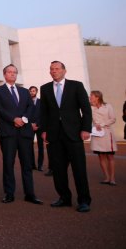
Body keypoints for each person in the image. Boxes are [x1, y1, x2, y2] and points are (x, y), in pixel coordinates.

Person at [40, 61, 92, 213]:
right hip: (54, 135)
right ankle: (64, 198)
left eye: (57, 69)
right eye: (51, 69)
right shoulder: (45, 88)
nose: (54, 71)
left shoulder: (76, 86)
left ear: (64, 71)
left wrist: (85, 129)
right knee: (58, 169)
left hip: (74, 134)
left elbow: (86, 109)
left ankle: (84, 200)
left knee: (79, 169)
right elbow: (44, 112)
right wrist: (44, 131)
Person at [0, 64, 42, 205]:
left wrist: (24, 119)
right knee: (8, 164)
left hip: (24, 132)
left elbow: (30, 108)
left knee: (27, 164)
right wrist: (13, 119)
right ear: (4, 74)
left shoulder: (25, 91)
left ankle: (30, 194)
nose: (13, 74)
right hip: (8, 132)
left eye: (15, 72)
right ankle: (9, 193)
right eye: (10, 72)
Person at [89, 90, 117, 186]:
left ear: (97, 97)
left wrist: (102, 124)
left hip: (107, 133)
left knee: (110, 156)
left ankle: (112, 178)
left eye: (92, 96)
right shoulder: (90, 108)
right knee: (101, 156)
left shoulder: (108, 106)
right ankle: (106, 177)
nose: (90, 97)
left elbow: (113, 119)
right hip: (97, 134)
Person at [28, 86, 44, 172]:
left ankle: (40, 165)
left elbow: (42, 115)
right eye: (30, 91)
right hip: (30, 127)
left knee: (40, 147)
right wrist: (31, 124)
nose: (32, 92)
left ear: (36, 92)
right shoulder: (27, 102)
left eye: (33, 91)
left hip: (39, 127)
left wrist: (37, 124)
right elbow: (26, 114)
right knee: (30, 146)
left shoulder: (41, 102)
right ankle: (32, 165)